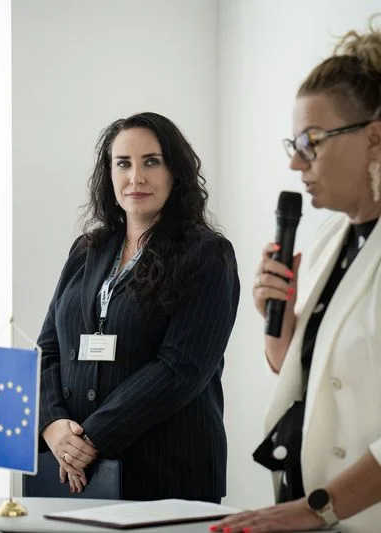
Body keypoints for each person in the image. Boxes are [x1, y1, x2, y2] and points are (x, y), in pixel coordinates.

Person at [215, 18, 381, 533]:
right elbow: (314, 379)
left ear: (374, 138)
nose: (296, 162)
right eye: (293, 143)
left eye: (311, 141)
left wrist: (318, 507)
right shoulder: (334, 238)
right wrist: (282, 322)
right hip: (319, 511)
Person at [35, 112, 240, 502]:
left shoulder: (208, 255)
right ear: (108, 174)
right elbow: (48, 349)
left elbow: (181, 368)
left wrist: (92, 438)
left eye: (151, 162)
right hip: (75, 474)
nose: (136, 178)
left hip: (167, 475)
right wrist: (53, 425)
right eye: (123, 164)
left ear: (175, 171)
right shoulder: (87, 251)